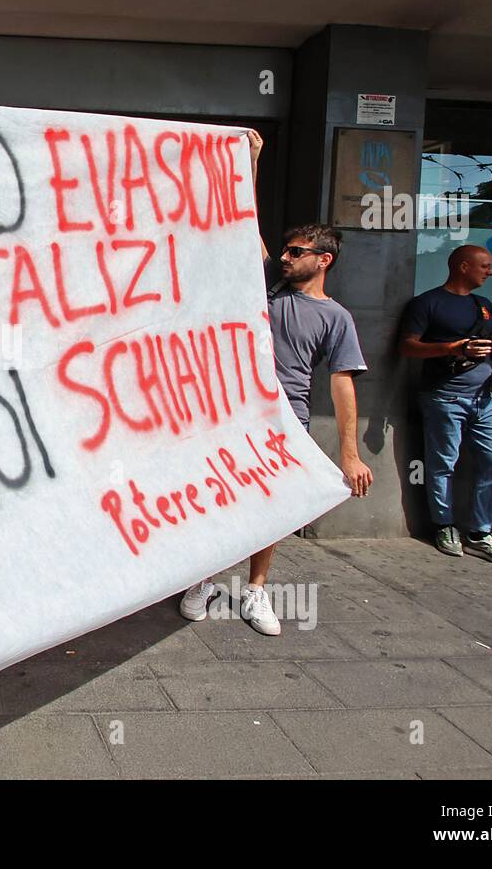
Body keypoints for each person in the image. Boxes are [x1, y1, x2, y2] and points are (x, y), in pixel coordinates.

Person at [181, 131, 373, 636]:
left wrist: (348, 454)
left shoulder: (336, 318)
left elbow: (343, 385)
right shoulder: (265, 282)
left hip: (286, 418)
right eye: (284, 249)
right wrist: (250, 161)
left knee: (271, 508)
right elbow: (246, 224)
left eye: (296, 251)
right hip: (229, 409)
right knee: (214, 497)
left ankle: (256, 590)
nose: (285, 257)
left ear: (322, 259)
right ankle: (201, 579)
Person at [397, 245, 492, 567]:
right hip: (444, 396)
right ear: (464, 266)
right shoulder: (427, 303)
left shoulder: (483, 305)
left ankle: (481, 532)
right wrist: (452, 348)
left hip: (485, 398)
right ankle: (444, 525)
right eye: (485, 266)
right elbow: (407, 347)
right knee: (443, 464)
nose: (491, 271)